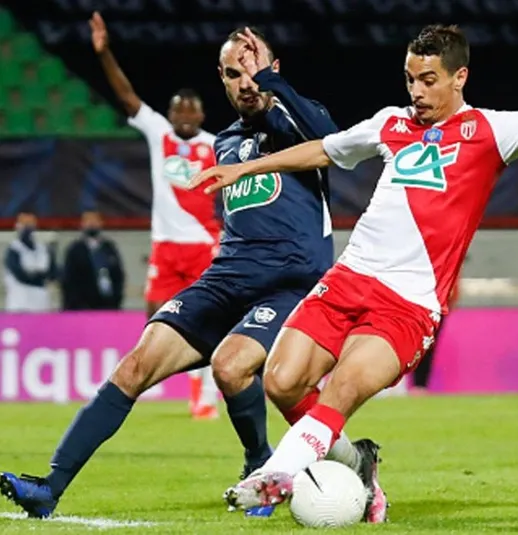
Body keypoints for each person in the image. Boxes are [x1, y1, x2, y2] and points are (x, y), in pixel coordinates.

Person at [187, 24, 518, 516]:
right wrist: (245, 167)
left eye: (428, 80)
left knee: (342, 387)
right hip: (347, 279)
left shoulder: (495, 129)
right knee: (281, 381)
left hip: (408, 303)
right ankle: (357, 463)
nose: (416, 91)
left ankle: (276, 473)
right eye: (410, 79)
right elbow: (323, 150)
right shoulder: (389, 123)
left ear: (460, 77)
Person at [0, 27, 345, 521]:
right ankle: (49, 487)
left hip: (289, 284)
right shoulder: (225, 143)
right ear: (221, 79)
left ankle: (258, 464)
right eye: (234, 73)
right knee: (134, 367)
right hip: (226, 279)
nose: (246, 82)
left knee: (230, 366)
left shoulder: (301, 124)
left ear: (274, 68)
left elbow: (332, 140)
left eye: (254, 70)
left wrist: (272, 84)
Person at [89, 11, 219, 418]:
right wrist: (104, 53)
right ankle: (144, 378)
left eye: (190, 112)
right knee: (154, 319)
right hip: (165, 246)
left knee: (207, 319)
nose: (183, 117)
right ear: (171, 114)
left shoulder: (217, 146)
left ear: (201, 116)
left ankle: (204, 391)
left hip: (203, 246)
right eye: (178, 111)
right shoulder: (159, 133)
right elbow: (127, 96)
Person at [61, 211, 125, 311]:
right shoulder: (75, 249)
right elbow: (68, 279)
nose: (91, 224)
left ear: (101, 223)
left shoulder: (109, 248)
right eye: (88, 221)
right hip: (81, 305)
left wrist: (116, 298)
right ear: (82, 224)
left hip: (108, 304)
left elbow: (118, 275)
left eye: (95, 221)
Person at [410, 278, 459, 394]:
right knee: (417, 344)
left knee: (426, 345)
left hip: (436, 305)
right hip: (418, 303)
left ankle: (419, 385)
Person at [3, 212, 58, 312]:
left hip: (41, 303)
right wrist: (40, 276)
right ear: (18, 226)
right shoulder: (13, 250)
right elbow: (19, 274)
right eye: (24, 224)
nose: (28, 227)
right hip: (20, 304)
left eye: (30, 224)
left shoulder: (43, 249)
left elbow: (52, 273)